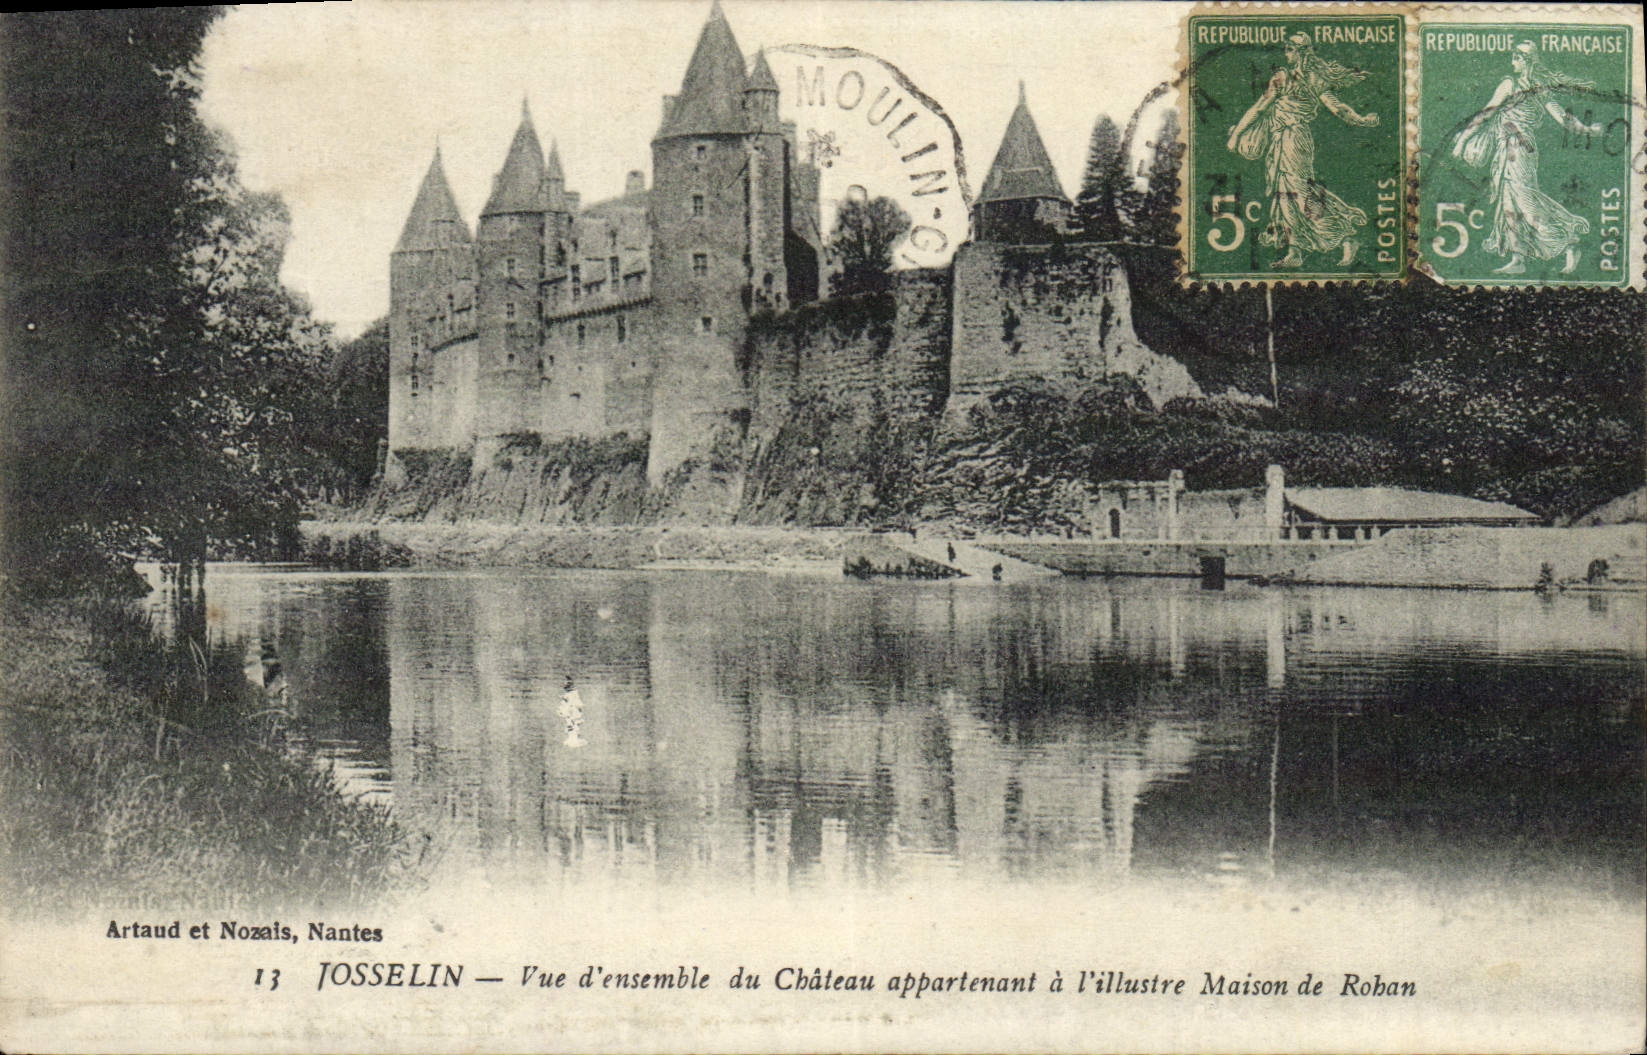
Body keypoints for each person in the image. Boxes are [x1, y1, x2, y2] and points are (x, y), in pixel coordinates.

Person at [1226, 33, 1379, 269]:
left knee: (1300, 193)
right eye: (1286, 48)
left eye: (1289, 49)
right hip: (1283, 140)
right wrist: (1361, 120)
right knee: (1284, 195)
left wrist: (1236, 135)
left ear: (1301, 52)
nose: (1286, 53)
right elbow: (1338, 109)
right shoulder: (1307, 78)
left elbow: (1259, 108)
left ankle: (1346, 237)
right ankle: (1295, 251)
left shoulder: (1288, 78)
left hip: (1293, 140)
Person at [1451, 41, 1602, 275]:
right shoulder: (1516, 85)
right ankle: (1518, 258)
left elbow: (1562, 118)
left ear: (1527, 60)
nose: (1513, 61)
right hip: (1506, 150)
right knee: (1508, 203)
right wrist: (1462, 141)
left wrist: (1587, 129)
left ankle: (1570, 242)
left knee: (1525, 202)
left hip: (1520, 151)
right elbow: (1487, 113)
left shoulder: (1529, 87)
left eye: (1517, 56)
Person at [557, 675, 586, 748]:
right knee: (571, 722)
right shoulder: (570, 695)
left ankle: (573, 739)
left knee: (572, 722)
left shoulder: (573, 695)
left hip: (572, 710)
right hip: (570, 710)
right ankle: (573, 737)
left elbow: (576, 705)